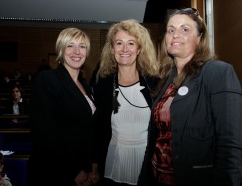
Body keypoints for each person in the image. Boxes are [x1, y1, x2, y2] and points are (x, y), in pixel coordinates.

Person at [138, 8, 242, 186]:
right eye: (171, 30)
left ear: (200, 38)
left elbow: (230, 142)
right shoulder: (165, 80)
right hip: (157, 177)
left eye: (185, 29)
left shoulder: (218, 72)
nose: (175, 35)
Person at [92, 19, 159, 186]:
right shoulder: (103, 83)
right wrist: (93, 165)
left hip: (148, 162)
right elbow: (98, 129)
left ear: (139, 49)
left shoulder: (154, 82)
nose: (124, 49)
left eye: (131, 43)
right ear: (112, 48)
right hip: (114, 160)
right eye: (119, 43)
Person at [28, 27, 98, 186]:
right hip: (55, 171)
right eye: (70, 45)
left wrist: (92, 165)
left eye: (82, 46)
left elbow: (88, 130)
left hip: (83, 169)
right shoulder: (47, 79)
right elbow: (43, 133)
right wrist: (73, 171)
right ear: (61, 49)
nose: (77, 51)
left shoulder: (85, 86)